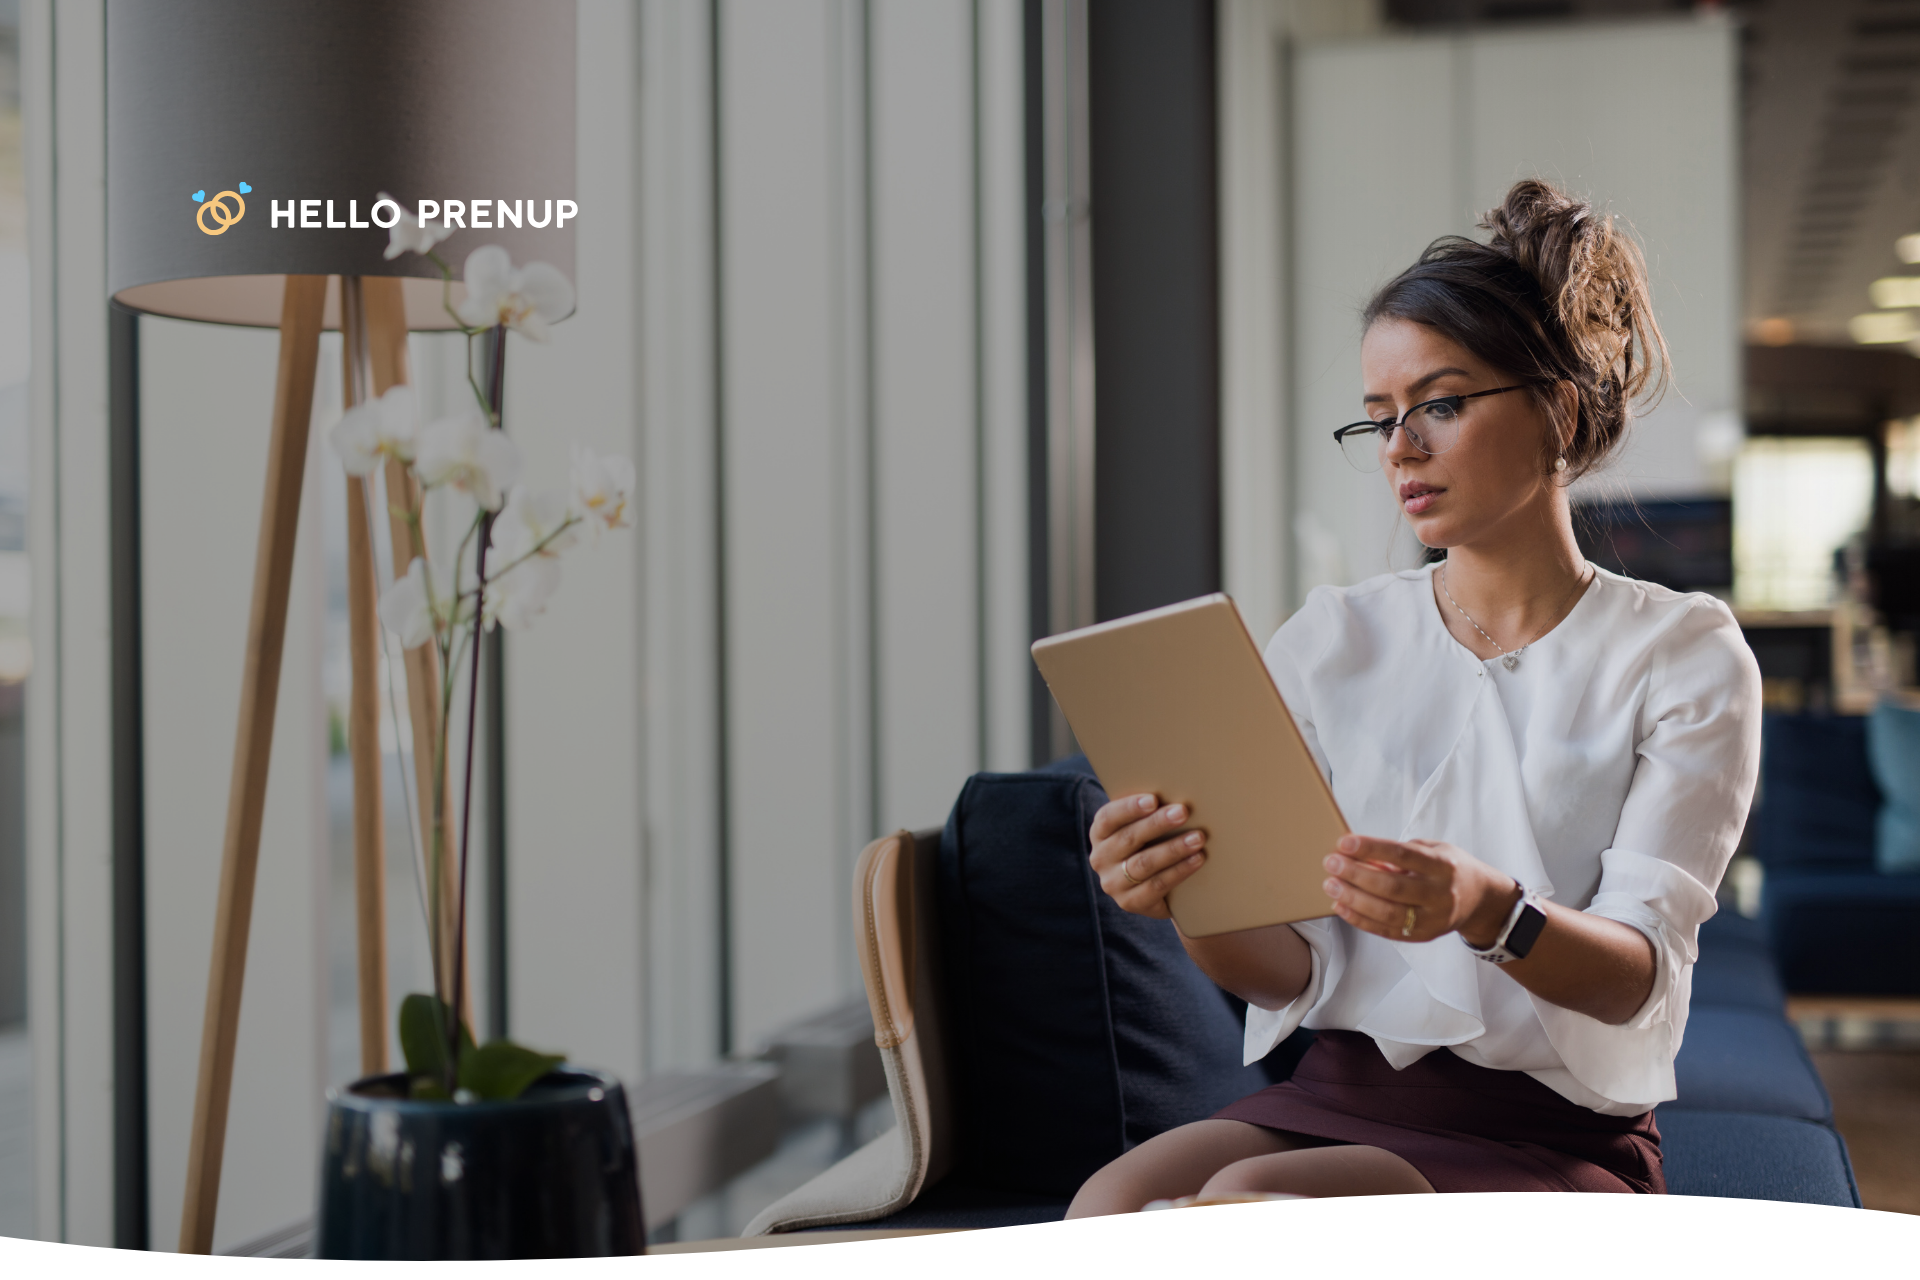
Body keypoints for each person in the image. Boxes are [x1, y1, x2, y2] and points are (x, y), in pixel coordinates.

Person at [1066, 178, 1760, 1211]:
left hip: (1549, 1127)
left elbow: (1635, 975)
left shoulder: (1684, 652)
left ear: (1557, 407)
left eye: (1439, 403)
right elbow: (1284, 970)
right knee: (1104, 1209)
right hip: (1337, 1089)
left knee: (1247, 1205)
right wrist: (1184, 895)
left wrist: (1489, 909)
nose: (1401, 446)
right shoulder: (1334, 638)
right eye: (1379, 417)